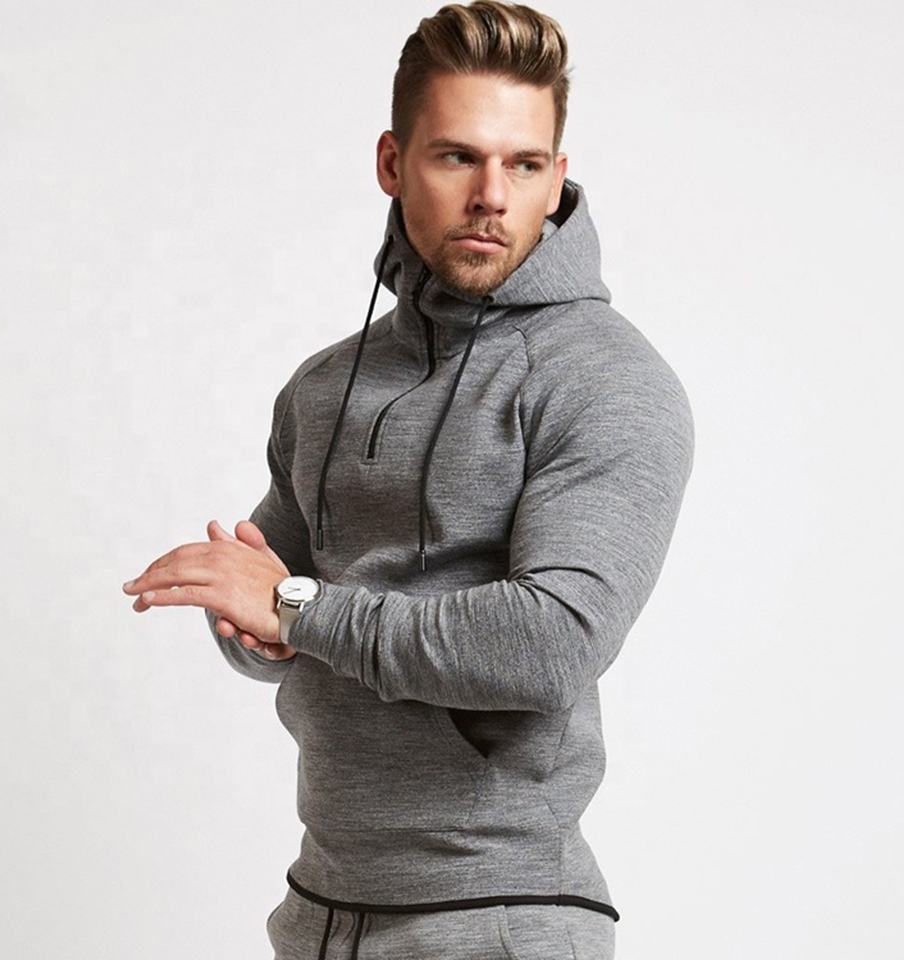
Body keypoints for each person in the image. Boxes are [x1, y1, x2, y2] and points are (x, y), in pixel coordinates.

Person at [122, 2, 695, 957]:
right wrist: (251, 623)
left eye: (524, 165)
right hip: (319, 909)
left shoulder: (603, 379)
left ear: (558, 176)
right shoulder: (325, 386)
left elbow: (555, 642)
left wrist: (297, 610)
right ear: (393, 162)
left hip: (500, 916)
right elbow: (280, 615)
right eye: (457, 157)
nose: (491, 196)